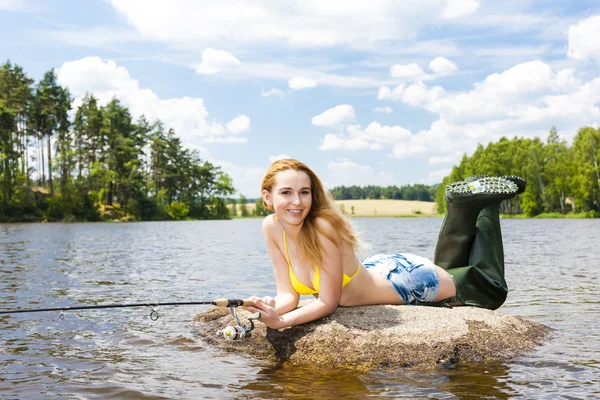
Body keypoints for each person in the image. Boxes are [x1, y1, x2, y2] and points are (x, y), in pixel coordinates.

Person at [244, 159, 524, 330]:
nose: (297, 202)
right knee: (451, 273)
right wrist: (265, 311)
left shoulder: (321, 227)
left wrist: (282, 322)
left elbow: (328, 303)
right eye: (286, 193)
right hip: (379, 269)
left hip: (406, 280)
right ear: (267, 197)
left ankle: (486, 204)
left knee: (491, 290)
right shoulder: (271, 226)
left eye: (304, 192)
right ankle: (461, 203)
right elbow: (288, 296)